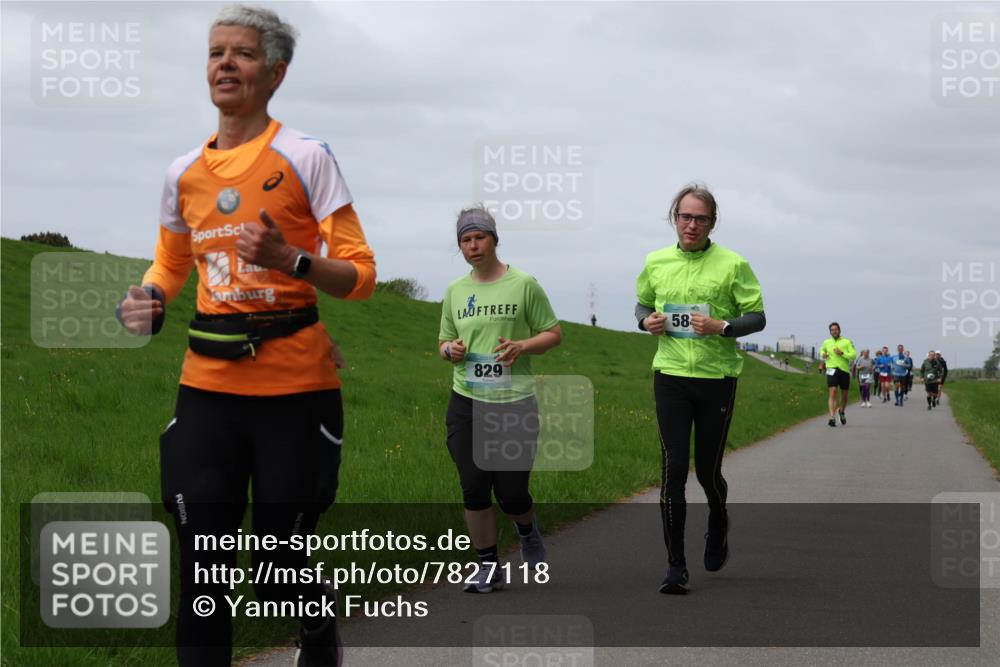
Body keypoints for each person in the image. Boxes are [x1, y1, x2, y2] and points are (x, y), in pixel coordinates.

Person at [116, 6, 376, 665]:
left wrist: (292, 259)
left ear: (276, 73)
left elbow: (361, 275)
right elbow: (171, 262)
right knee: (204, 570)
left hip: (296, 390)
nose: (225, 63)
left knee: (277, 568)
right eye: (216, 52)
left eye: (243, 53)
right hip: (208, 386)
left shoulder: (307, 157)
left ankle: (316, 627)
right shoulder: (183, 173)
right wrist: (150, 298)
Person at [635, 183, 766, 594]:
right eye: (685, 217)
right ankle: (675, 565)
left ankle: (718, 518)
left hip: (716, 379)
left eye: (700, 218)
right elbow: (642, 304)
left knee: (708, 472)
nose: (691, 225)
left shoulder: (733, 264)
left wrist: (721, 326)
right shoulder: (656, 261)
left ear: (712, 222)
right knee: (673, 469)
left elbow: (757, 317)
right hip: (671, 376)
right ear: (674, 218)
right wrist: (645, 321)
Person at [438, 205, 562, 593]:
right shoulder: (455, 291)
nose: (473, 246)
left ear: (494, 240)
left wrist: (522, 346)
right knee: (474, 488)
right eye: (465, 240)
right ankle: (488, 566)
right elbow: (444, 341)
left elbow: (553, 333)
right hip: (466, 401)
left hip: (513, 401)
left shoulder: (523, 284)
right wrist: (451, 351)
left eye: (479, 237)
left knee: (511, 494)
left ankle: (526, 531)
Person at [819, 322, 856, 426]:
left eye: (836, 329)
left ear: (839, 330)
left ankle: (841, 411)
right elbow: (822, 350)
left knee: (845, 395)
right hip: (831, 369)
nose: (834, 331)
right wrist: (823, 354)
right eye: (832, 330)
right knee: (833, 391)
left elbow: (853, 355)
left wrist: (842, 353)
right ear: (830, 332)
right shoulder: (826, 342)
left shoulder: (847, 342)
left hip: (844, 370)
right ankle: (832, 417)